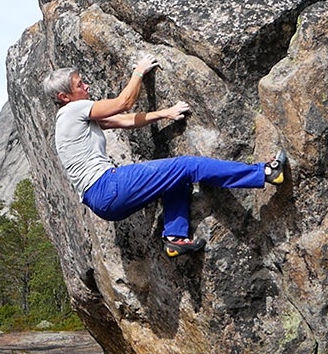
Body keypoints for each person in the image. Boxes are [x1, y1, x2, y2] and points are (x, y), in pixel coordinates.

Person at [42, 55, 287, 257]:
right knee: (188, 165)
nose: (86, 87)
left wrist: (164, 113)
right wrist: (138, 72)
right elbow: (124, 103)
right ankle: (265, 173)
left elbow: (124, 121)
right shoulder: (73, 110)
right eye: (79, 85)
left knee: (176, 179)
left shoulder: (70, 122)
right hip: (108, 185)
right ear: (64, 97)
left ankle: (175, 237)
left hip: (102, 203)